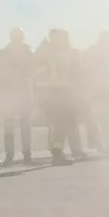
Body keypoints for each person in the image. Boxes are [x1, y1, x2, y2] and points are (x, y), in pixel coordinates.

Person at [34, 29, 82, 165]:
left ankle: (56, 151)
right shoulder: (49, 52)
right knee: (59, 123)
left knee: (60, 123)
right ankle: (56, 153)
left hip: (59, 90)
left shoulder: (48, 51)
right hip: (54, 91)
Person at [0, 27, 35, 164]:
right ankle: (14, 155)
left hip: (21, 92)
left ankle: (23, 155)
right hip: (12, 92)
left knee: (22, 124)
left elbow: (32, 72)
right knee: (14, 125)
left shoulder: (25, 52)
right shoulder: (6, 53)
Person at [83, 31, 109, 154]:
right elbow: (87, 71)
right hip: (98, 91)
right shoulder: (93, 55)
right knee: (101, 118)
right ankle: (104, 144)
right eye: (105, 40)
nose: (107, 43)